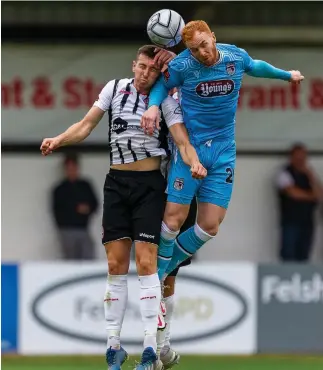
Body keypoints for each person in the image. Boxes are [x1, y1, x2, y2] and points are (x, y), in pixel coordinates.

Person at [40, 45, 206, 370]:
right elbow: (86, 125)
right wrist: (58, 139)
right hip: (116, 185)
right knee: (115, 265)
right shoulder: (113, 89)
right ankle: (113, 346)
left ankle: (147, 347)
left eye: (151, 70)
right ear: (134, 65)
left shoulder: (165, 104)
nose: (145, 73)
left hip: (149, 188)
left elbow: (182, 141)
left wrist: (195, 162)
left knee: (146, 262)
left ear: (158, 75)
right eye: (141, 67)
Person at [141, 20, 304, 287]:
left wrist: (287, 75)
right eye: (194, 49)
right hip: (191, 147)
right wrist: (153, 106)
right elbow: (161, 84)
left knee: (209, 227)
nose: (201, 53)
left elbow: (256, 67)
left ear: (213, 38)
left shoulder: (234, 57)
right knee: (173, 219)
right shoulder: (182, 65)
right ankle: (156, 276)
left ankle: (164, 268)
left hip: (223, 151)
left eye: (204, 45)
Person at [276, 143, 323, 261]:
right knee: (288, 254)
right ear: (291, 157)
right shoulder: (284, 173)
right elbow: (293, 193)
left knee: (304, 255)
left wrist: (310, 175)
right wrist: (313, 196)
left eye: (303, 157)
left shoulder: (308, 175)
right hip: (290, 222)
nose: (300, 160)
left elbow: (320, 194)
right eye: (298, 157)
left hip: (307, 222)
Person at [52, 153, 98, 259]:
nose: (71, 171)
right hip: (66, 231)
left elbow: (94, 204)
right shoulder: (59, 189)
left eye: (73, 168)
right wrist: (74, 209)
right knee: (70, 261)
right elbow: (57, 210)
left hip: (83, 229)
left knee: (88, 258)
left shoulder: (85, 186)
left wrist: (87, 209)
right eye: (69, 168)